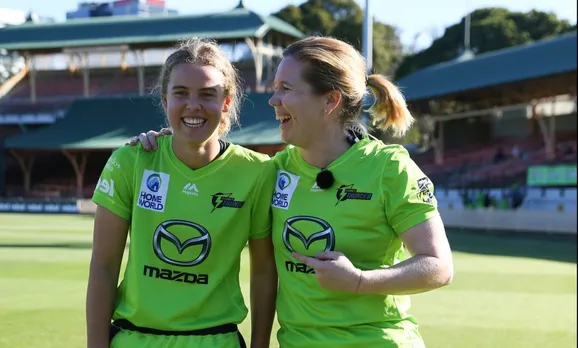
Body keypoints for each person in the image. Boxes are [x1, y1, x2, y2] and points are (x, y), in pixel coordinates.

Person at [132, 36, 454, 348]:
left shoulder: (390, 168)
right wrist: (169, 140)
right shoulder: (274, 170)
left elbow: (438, 266)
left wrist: (360, 281)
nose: (273, 100)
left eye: (286, 89)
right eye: (275, 89)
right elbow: (206, 167)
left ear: (330, 100)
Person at [86, 38, 278, 348]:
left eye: (207, 95)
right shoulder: (131, 161)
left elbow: (264, 271)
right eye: (180, 94)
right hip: (134, 339)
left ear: (226, 102)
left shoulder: (258, 172)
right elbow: (103, 265)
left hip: (216, 340)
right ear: (164, 101)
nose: (193, 105)